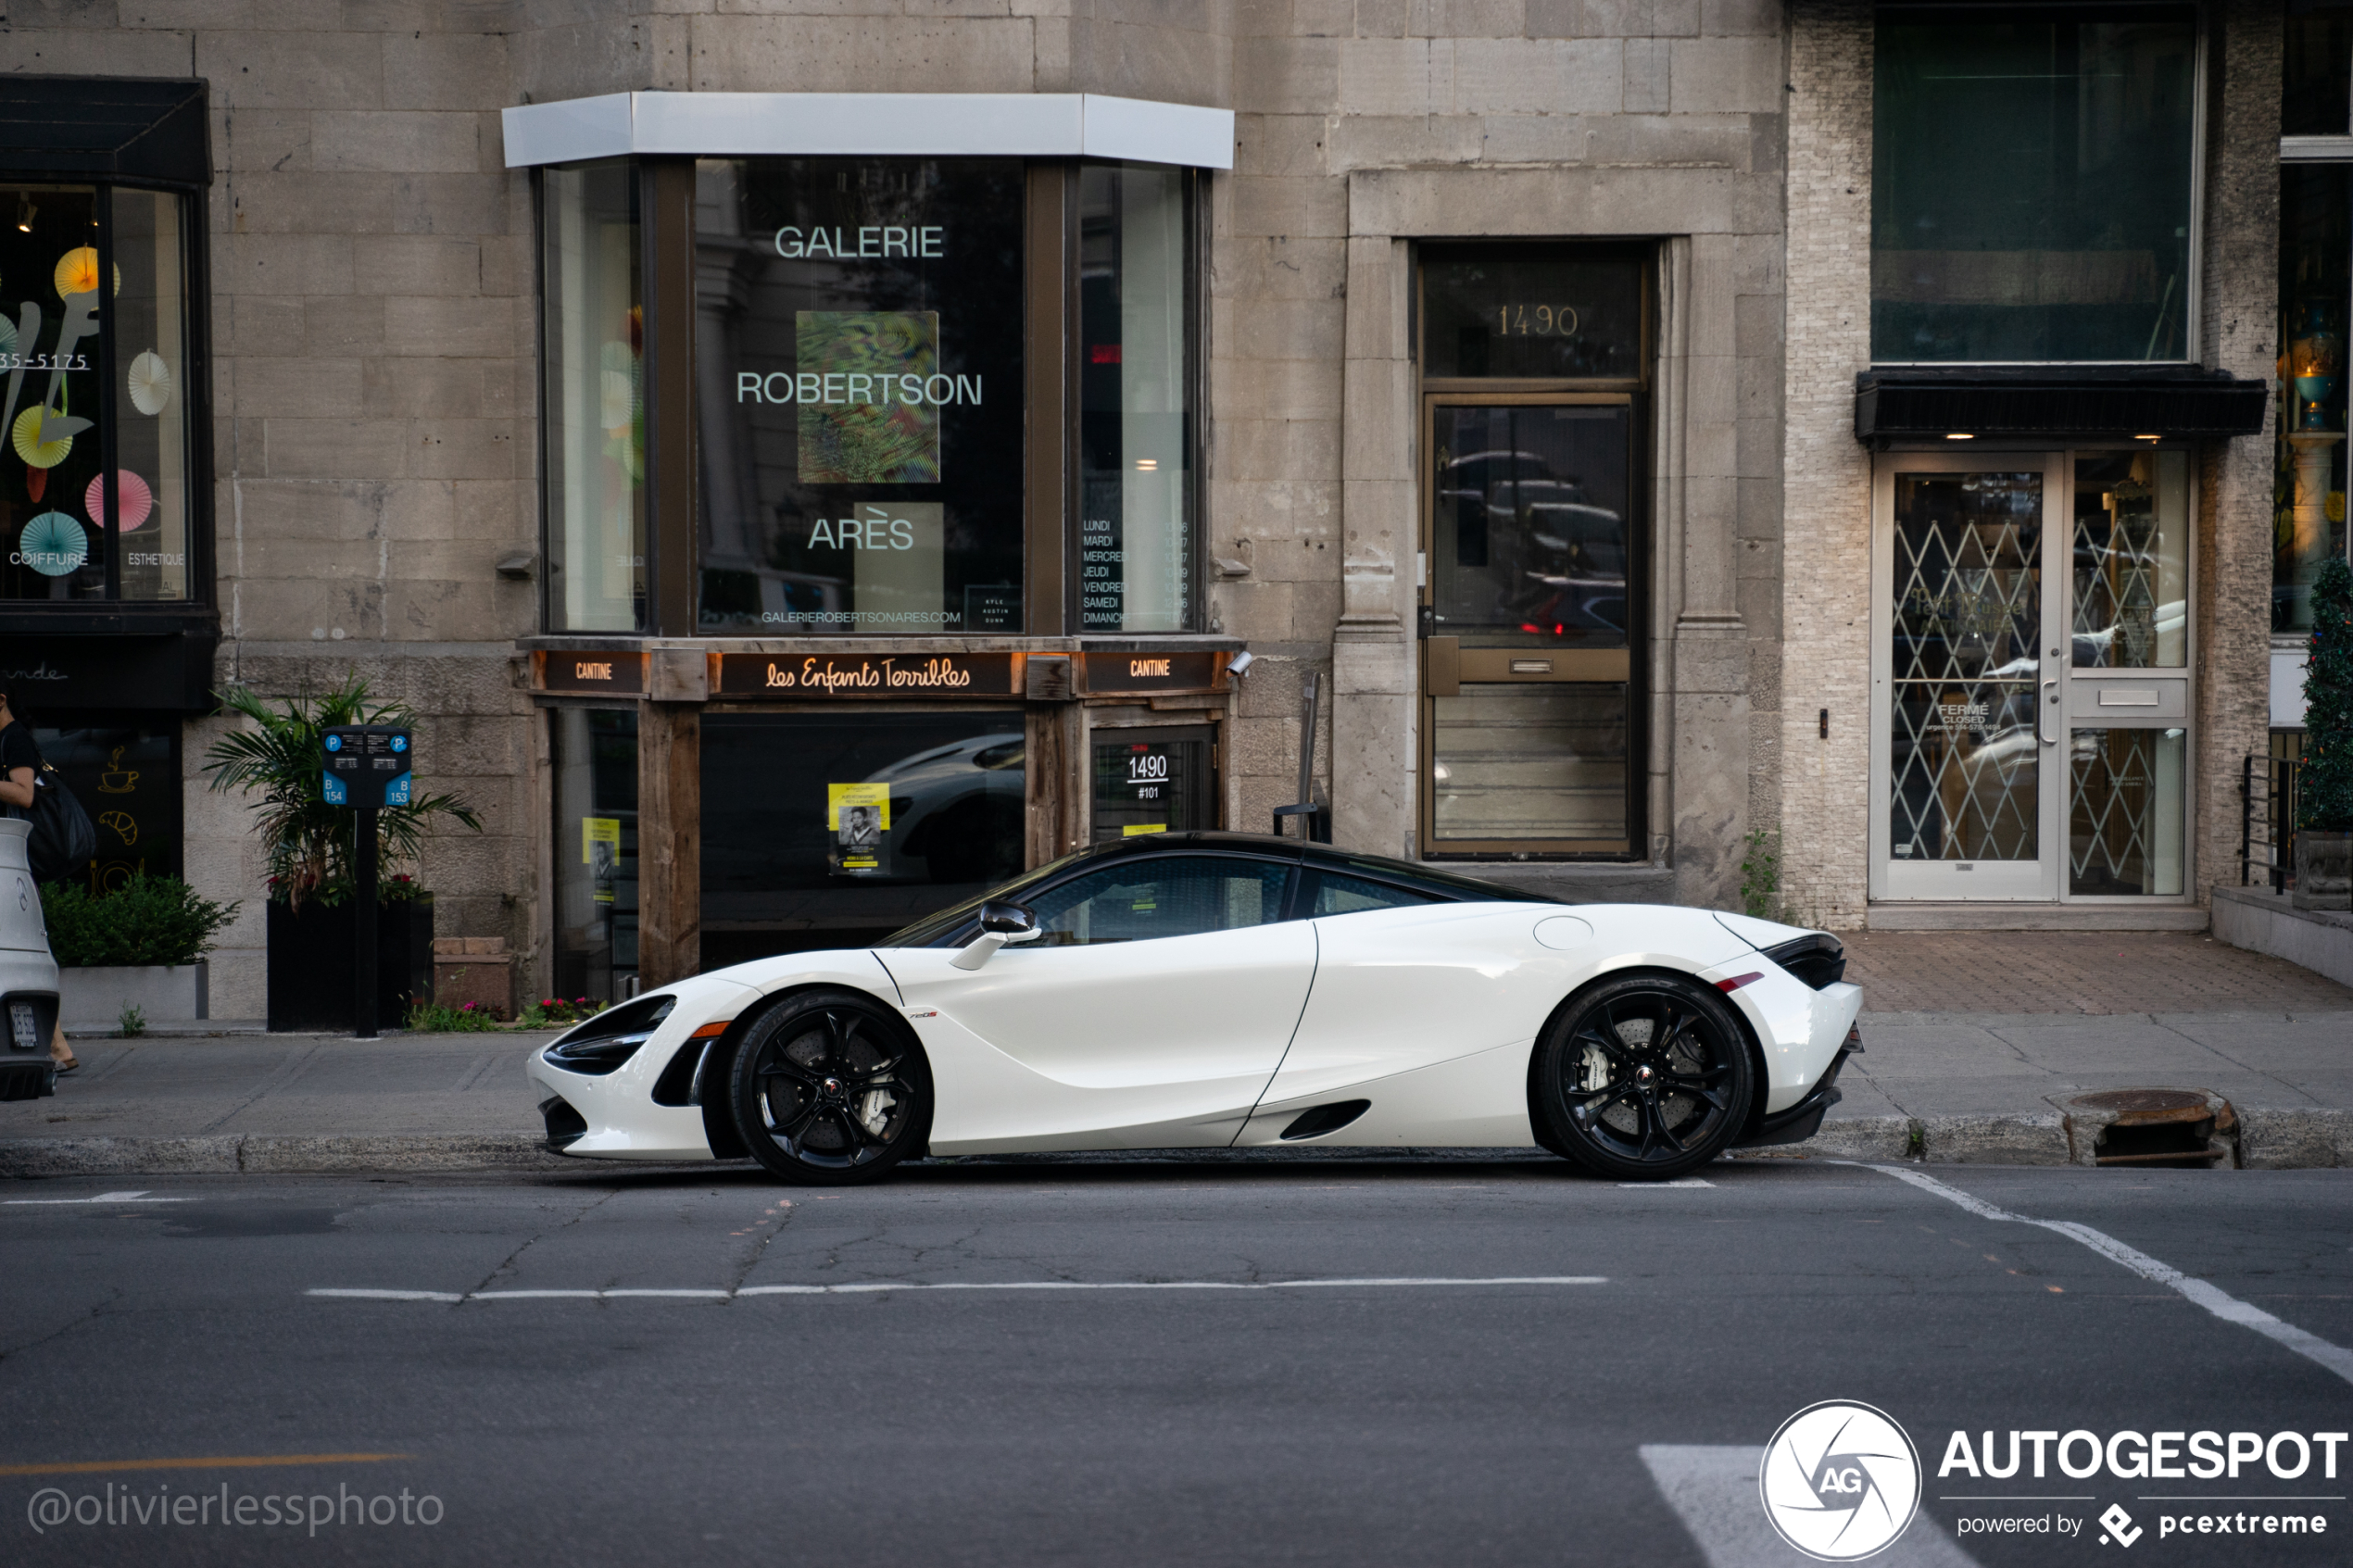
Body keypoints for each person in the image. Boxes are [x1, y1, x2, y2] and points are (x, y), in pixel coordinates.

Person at [0, 688, 73, 1075]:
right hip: (7, 861)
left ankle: (57, 1047)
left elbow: (25, 794)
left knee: (23, 948)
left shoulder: (13, 739)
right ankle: (58, 1047)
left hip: (12, 862)